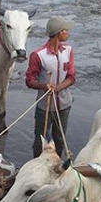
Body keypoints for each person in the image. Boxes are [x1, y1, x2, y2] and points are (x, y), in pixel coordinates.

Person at [26, 17, 77, 158]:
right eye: (65, 30)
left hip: (64, 106)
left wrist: (58, 88)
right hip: (45, 107)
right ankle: (37, 165)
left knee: (60, 139)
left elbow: (72, 77)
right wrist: (44, 86)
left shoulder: (68, 51)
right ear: (59, 33)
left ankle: (58, 164)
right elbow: (29, 81)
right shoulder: (38, 55)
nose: (68, 32)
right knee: (40, 141)